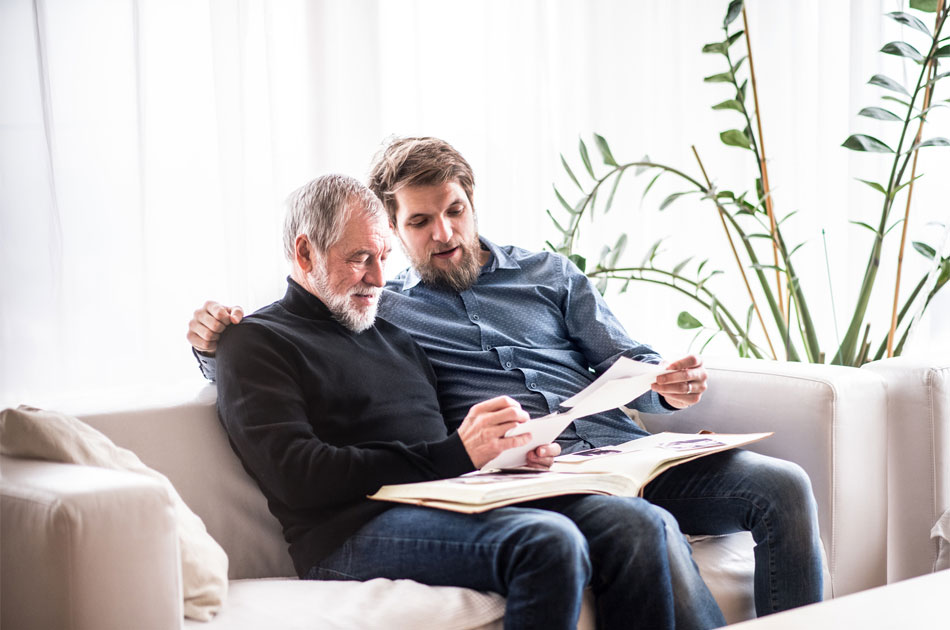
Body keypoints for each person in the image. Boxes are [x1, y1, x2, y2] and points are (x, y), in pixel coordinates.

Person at [190, 138, 824, 618]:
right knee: (625, 528)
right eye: (416, 224)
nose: (443, 233)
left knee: (781, 484)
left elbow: (626, 364)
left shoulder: (524, 281)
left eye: (454, 211)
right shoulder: (384, 313)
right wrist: (216, 345)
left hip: (595, 456)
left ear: (472, 202)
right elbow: (284, 363)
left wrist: (662, 387)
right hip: (492, 489)